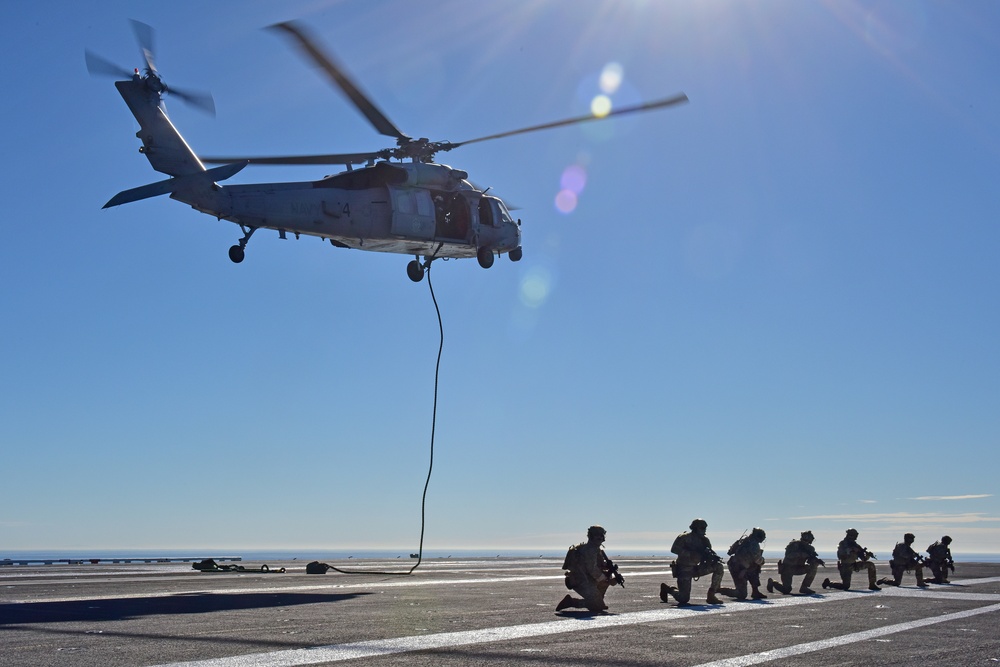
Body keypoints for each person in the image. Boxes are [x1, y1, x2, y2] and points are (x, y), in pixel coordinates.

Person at [659, 518, 725, 606]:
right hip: (684, 569)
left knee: (719, 567)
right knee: (683, 599)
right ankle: (669, 589)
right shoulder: (684, 537)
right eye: (702, 528)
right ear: (695, 528)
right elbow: (674, 549)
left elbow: (708, 553)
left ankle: (711, 595)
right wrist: (691, 554)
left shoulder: (705, 541)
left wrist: (710, 559)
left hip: (697, 568)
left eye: (705, 528)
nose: (704, 530)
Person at [556, 525, 620, 612]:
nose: (600, 537)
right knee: (597, 607)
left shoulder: (595, 550)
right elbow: (592, 570)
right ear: (591, 536)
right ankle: (571, 602)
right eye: (597, 535)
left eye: (601, 535)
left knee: (605, 581)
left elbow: (599, 567)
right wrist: (608, 579)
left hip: (586, 580)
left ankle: (598, 601)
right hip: (580, 581)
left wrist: (609, 570)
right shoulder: (590, 550)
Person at [767, 530, 825, 595]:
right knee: (786, 590)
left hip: (798, 568)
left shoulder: (810, 548)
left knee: (813, 566)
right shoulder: (794, 545)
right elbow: (789, 556)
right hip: (787, 568)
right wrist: (802, 554)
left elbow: (809, 560)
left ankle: (804, 587)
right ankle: (773, 582)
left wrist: (815, 560)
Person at [719, 527, 768, 600]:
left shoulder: (744, 541)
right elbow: (758, 559)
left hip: (738, 566)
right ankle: (719, 590)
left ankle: (755, 591)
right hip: (738, 568)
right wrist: (762, 561)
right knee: (741, 594)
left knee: (754, 567)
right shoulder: (754, 544)